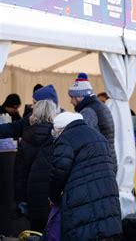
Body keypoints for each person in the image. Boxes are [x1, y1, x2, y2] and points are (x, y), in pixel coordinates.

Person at [49, 112, 122, 240]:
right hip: (107, 194)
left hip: (81, 197)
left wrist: (53, 197)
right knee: (104, 230)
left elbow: (59, 172)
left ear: (60, 129)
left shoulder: (65, 139)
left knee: (86, 232)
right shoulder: (98, 135)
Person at [14, 85, 59, 232]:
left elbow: (19, 173)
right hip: (54, 198)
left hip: (32, 197)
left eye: (34, 103)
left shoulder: (27, 135)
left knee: (36, 232)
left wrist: (20, 200)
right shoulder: (61, 135)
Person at [68, 72, 117, 173]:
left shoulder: (88, 111)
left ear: (79, 97)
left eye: (72, 97)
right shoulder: (100, 106)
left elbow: (82, 138)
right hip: (108, 161)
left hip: (101, 165)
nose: (71, 101)